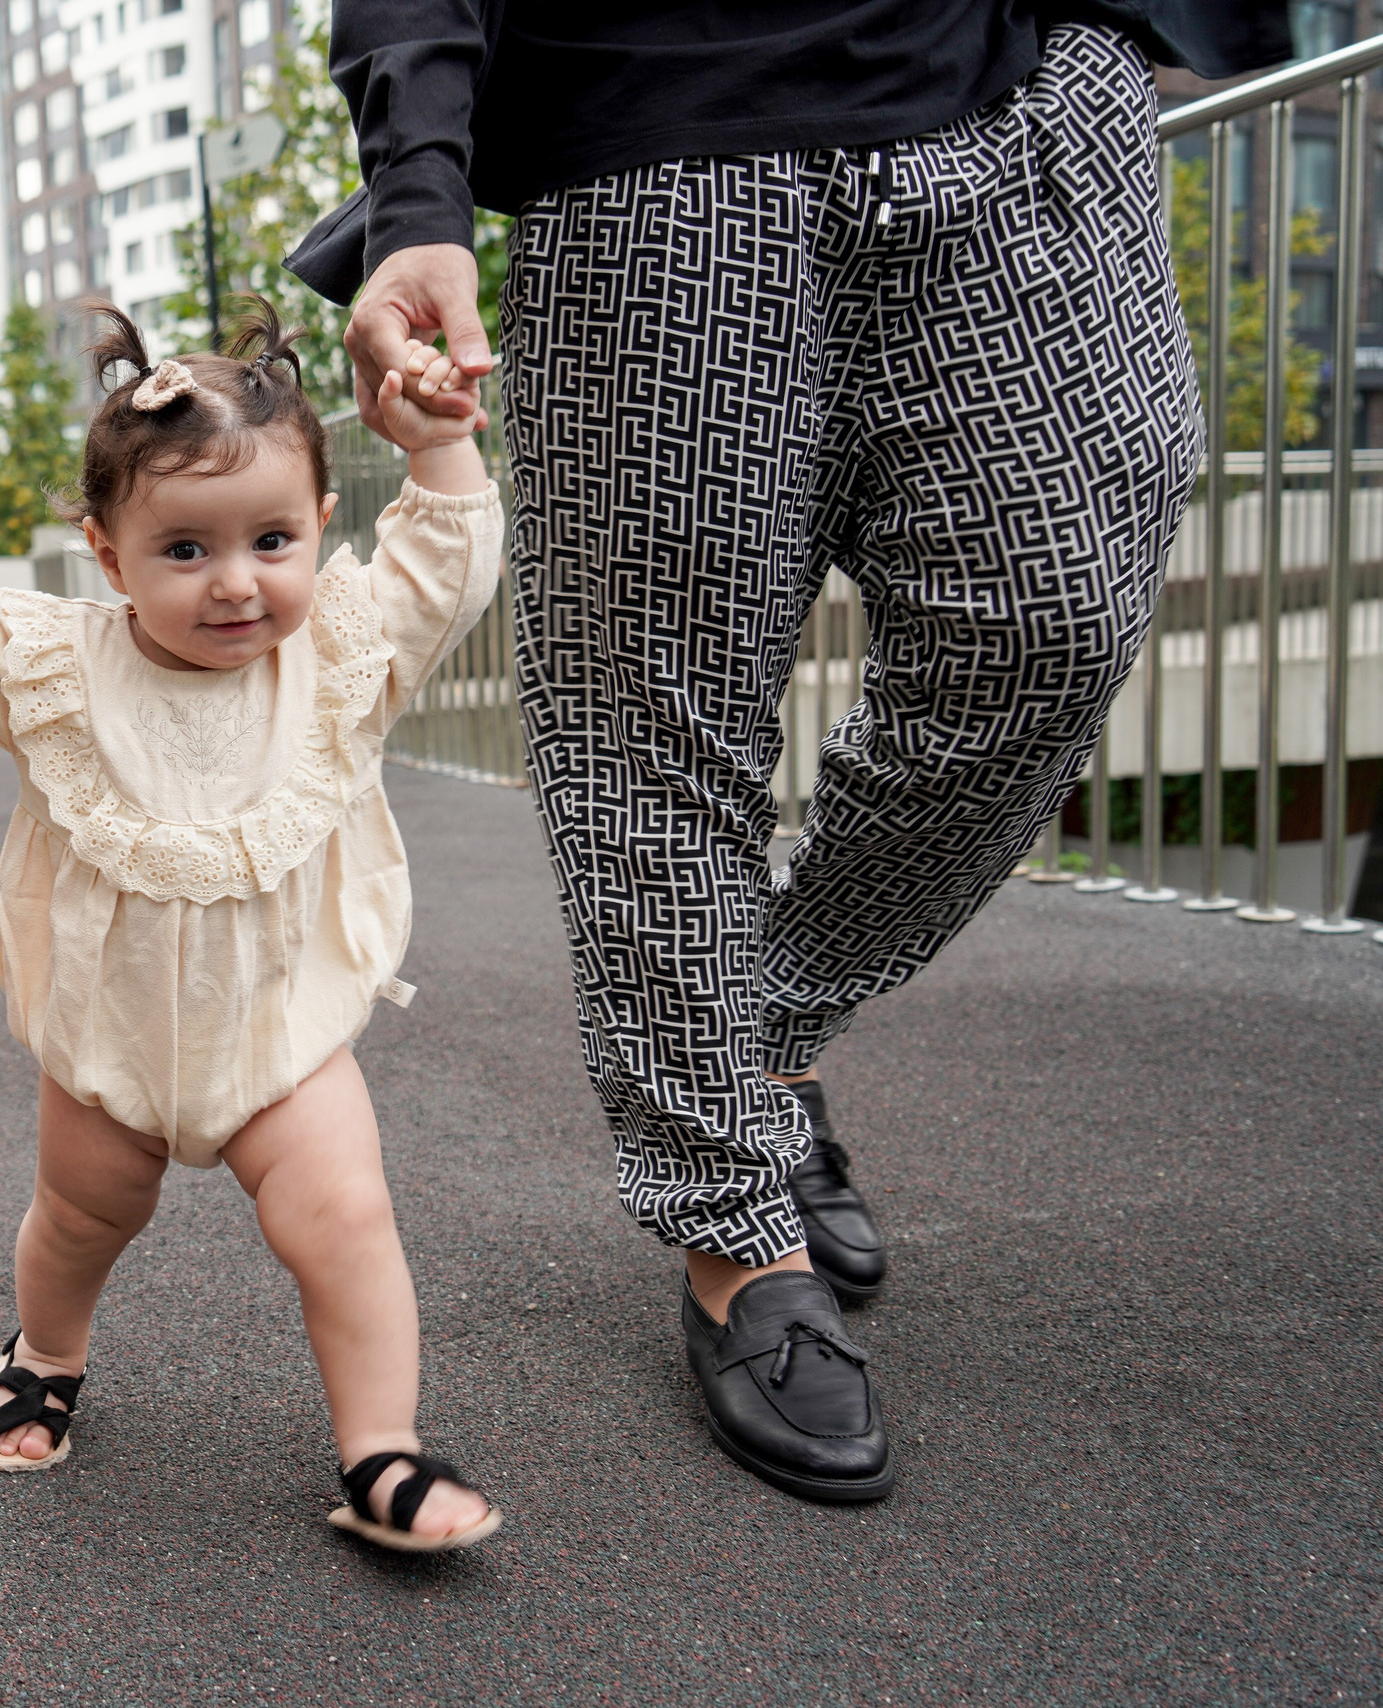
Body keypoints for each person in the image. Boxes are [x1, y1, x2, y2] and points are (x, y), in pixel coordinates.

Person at [288, 2, 1293, 1504]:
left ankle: (759, 1035)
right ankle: (737, 1230)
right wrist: (417, 194)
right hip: (653, 150)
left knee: (1052, 623)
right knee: (650, 730)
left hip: (1006, 98)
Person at [0, 299, 506, 1551]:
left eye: (272, 539)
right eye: (184, 549)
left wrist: (438, 447)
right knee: (80, 1216)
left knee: (345, 1218)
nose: (236, 581)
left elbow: (443, 577)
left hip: (283, 1037)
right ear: (107, 554)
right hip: (110, 1040)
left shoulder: (341, 654)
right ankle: (45, 1352)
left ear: (321, 526)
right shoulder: (60, 670)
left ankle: (382, 1450)